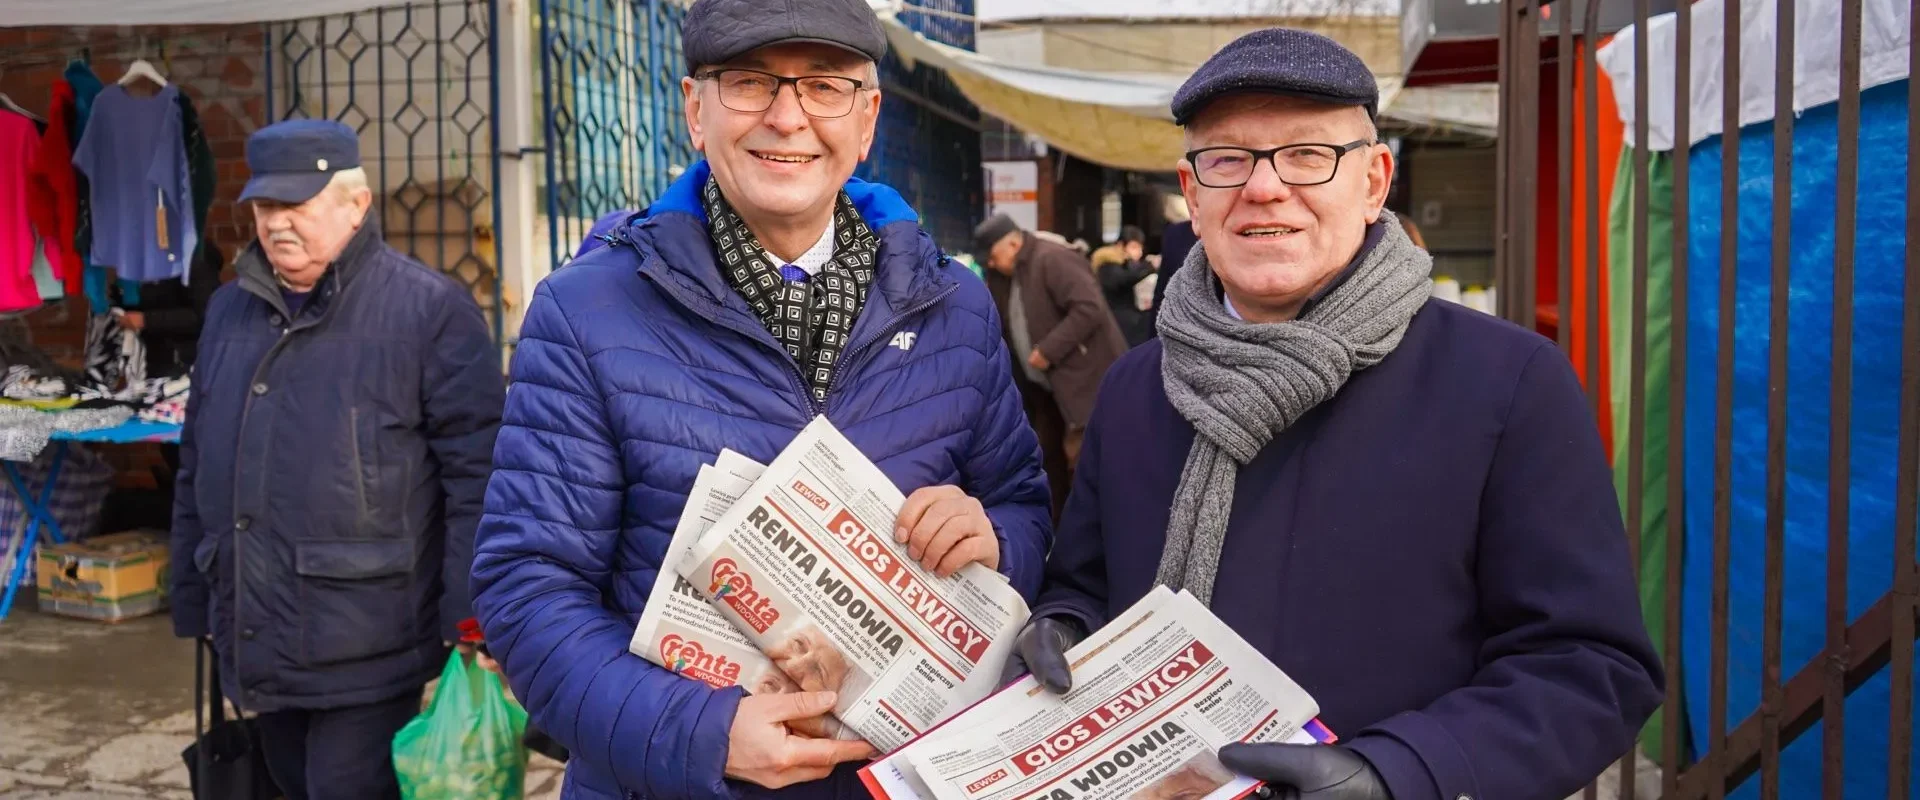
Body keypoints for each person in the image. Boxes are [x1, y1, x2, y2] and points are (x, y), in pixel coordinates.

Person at [1011, 28, 1662, 800]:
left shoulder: (1510, 382)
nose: (1264, 188)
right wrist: (1065, 628)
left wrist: (1399, 773)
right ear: (1191, 192)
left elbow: (1590, 667)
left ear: (1375, 180)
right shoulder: (1133, 389)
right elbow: (1085, 582)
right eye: (1228, 159)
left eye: (1308, 154)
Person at [468, 0, 1054, 796]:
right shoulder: (586, 311)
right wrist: (703, 736)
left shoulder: (953, 304)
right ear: (694, 110)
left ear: (867, 117)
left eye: (824, 86)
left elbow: (1022, 506)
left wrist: (992, 537)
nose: (787, 117)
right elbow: (528, 587)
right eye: (749, 82)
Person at [167, 119, 505, 800]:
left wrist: (471, 614)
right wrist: (193, 592)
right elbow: (198, 457)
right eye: (265, 207)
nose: (277, 224)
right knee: (291, 782)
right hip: (258, 624)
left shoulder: (429, 311)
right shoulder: (230, 310)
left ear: (357, 203)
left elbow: (480, 476)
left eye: (298, 205)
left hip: (369, 634)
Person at [974, 212, 1126, 469]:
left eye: (992, 256)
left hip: (1085, 384)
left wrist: (1047, 350)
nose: (990, 264)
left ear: (1012, 244)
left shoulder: (1052, 258)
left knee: (1088, 462)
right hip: (1047, 391)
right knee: (1051, 459)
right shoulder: (1008, 275)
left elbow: (1089, 307)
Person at [1091, 224, 1157, 347]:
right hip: (1119, 321)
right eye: (1134, 247)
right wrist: (1150, 266)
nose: (1139, 252)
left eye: (1140, 247)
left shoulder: (1127, 264)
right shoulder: (1108, 264)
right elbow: (1123, 279)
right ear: (1121, 245)